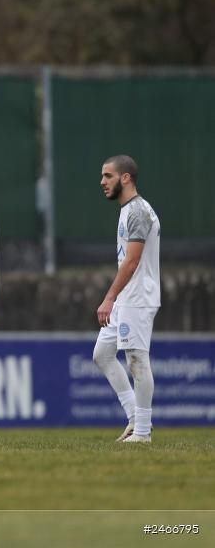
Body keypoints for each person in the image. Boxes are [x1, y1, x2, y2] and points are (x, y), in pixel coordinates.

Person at [94, 155, 160, 443]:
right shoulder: (127, 210)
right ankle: (135, 418)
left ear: (125, 178)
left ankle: (142, 433)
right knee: (102, 355)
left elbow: (132, 262)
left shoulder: (138, 212)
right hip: (126, 297)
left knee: (136, 359)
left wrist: (109, 298)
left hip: (136, 297)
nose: (102, 182)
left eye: (108, 176)